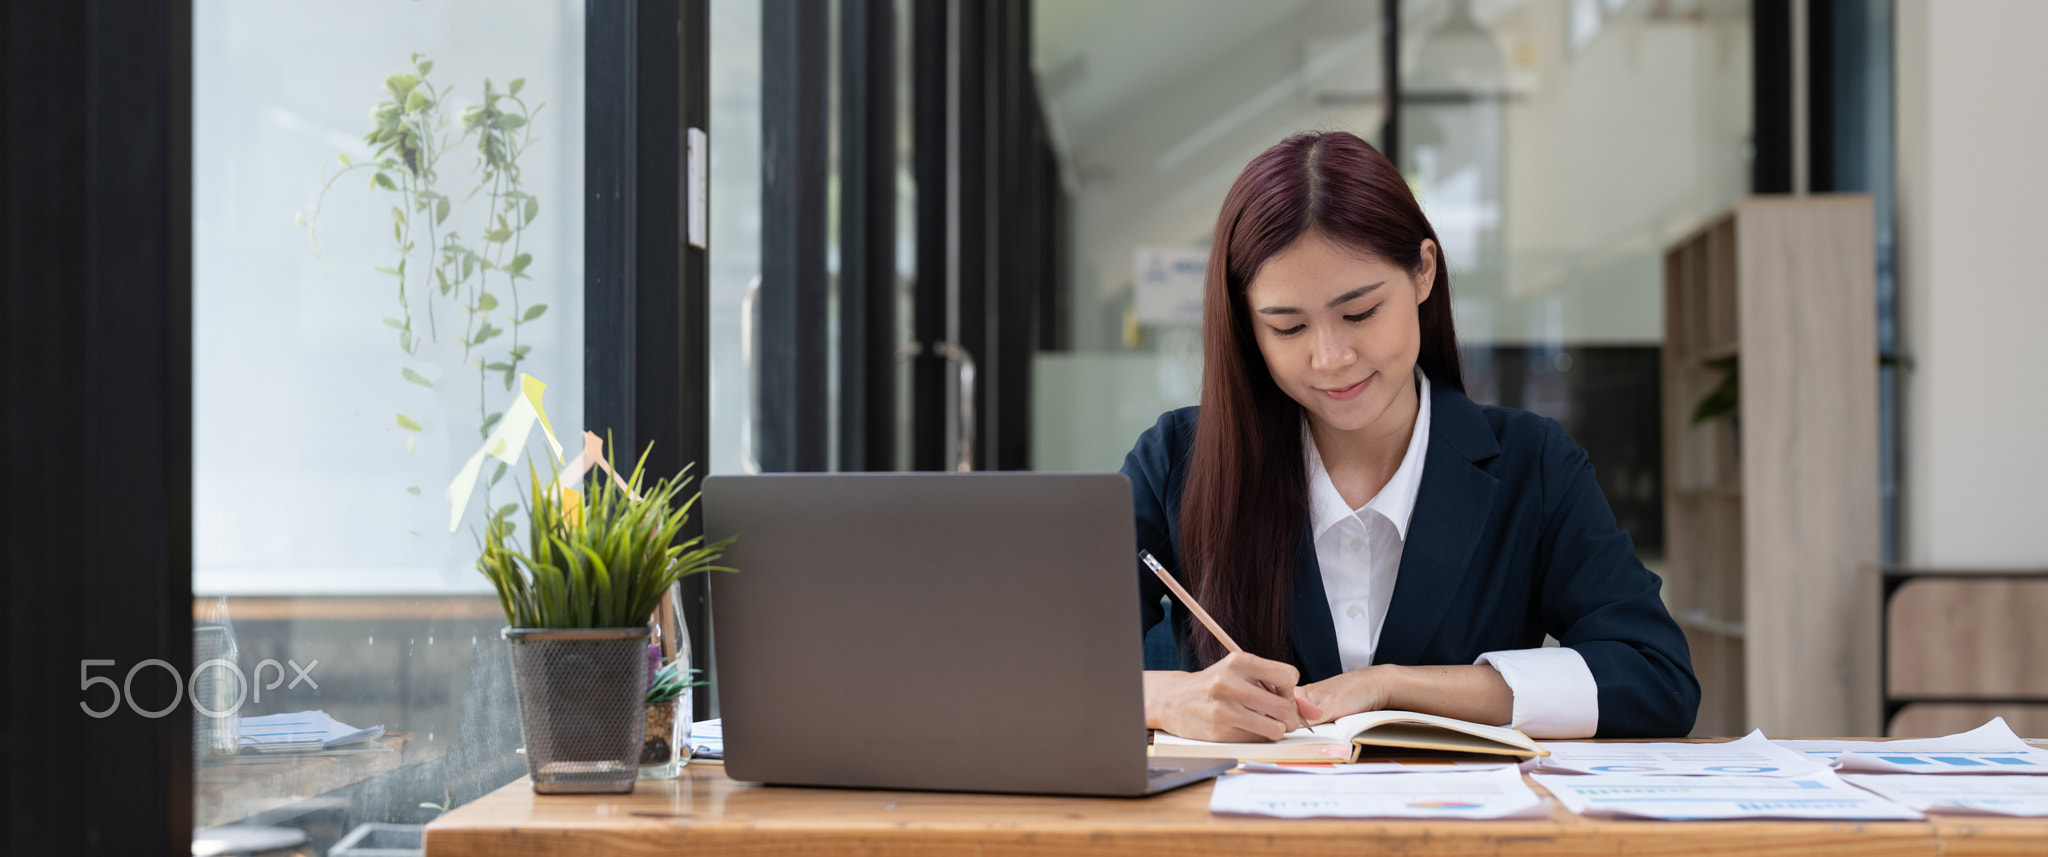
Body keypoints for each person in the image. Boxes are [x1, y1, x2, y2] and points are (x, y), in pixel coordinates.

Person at [1125, 131, 1697, 743]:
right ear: (1248, 327)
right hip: (1238, 837)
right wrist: (1165, 697)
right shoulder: (1178, 460)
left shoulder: (1533, 464)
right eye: (1288, 328)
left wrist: (1395, 687)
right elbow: (1029, 666)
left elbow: (1654, 677)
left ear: (1423, 271)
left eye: (1360, 313)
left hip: (1462, 834)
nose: (1331, 357)